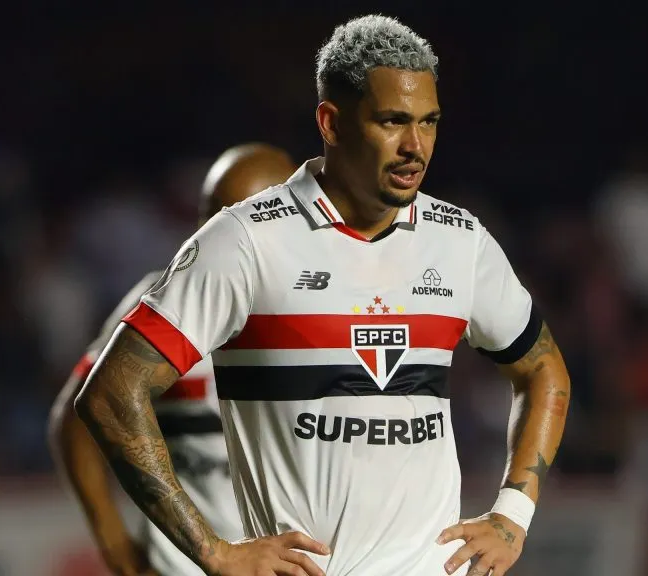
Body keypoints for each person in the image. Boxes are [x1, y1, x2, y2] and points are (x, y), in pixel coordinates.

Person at [75, 14, 571, 576]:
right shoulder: (247, 240)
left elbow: (544, 369)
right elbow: (111, 393)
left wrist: (512, 515)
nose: (415, 146)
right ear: (331, 123)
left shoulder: (460, 241)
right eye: (392, 121)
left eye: (429, 122)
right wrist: (213, 551)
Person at [49, 143, 298, 576]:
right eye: (218, 220)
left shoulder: (339, 307)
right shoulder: (161, 304)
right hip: (186, 566)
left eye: (253, 219)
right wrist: (116, 547)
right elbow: (76, 419)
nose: (233, 237)